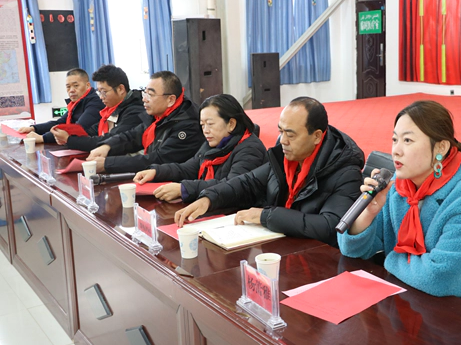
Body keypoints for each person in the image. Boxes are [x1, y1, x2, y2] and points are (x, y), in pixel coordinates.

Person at [337, 100, 461, 317]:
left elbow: (441, 278)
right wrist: (369, 213)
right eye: (394, 139)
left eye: (408, 140)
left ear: (440, 148)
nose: (396, 151)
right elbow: (352, 251)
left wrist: (391, 258)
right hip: (413, 304)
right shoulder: (398, 187)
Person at [173, 96, 365, 247]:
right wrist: (209, 198)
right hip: (283, 244)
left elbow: (330, 226)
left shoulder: (345, 171)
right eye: (281, 131)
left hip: (317, 255)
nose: (283, 141)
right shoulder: (284, 156)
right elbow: (248, 182)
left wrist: (266, 216)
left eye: (290, 135)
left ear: (316, 136)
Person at [133, 93, 268, 202]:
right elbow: (188, 168)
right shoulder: (213, 143)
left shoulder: (250, 148)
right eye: (202, 125)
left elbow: (232, 186)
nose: (205, 130)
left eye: (210, 124)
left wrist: (184, 189)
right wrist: (156, 172)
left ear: (231, 124)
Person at [86, 71, 204, 173]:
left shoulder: (188, 125)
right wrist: (107, 146)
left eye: (150, 95)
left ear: (170, 100)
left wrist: (108, 164)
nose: (144, 99)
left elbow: (158, 159)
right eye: (145, 93)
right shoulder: (158, 116)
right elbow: (133, 136)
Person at [50, 64, 144, 152]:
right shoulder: (112, 109)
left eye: (104, 92)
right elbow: (92, 131)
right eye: (99, 92)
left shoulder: (135, 111)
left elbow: (111, 140)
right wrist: (67, 136)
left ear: (120, 89)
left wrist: (69, 139)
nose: (101, 97)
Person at [19, 68, 104, 143]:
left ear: (87, 85)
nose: (71, 90)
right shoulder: (76, 103)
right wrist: (34, 128)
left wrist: (43, 138)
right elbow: (60, 123)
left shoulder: (95, 103)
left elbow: (77, 128)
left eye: (76, 86)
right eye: (68, 87)